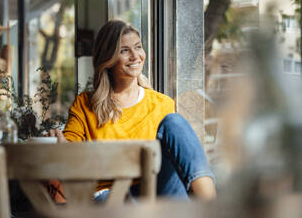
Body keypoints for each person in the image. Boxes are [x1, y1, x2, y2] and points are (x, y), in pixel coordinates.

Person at [50, 19, 216, 201]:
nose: (135, 56)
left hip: (156, 190)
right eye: (124, 50)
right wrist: (62, 148)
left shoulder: (162, 103)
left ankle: (211, 207)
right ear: (108, 59)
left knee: (175, 122)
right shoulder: (85, 104)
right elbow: (69, 155)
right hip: (110, 196)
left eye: (138, 47)